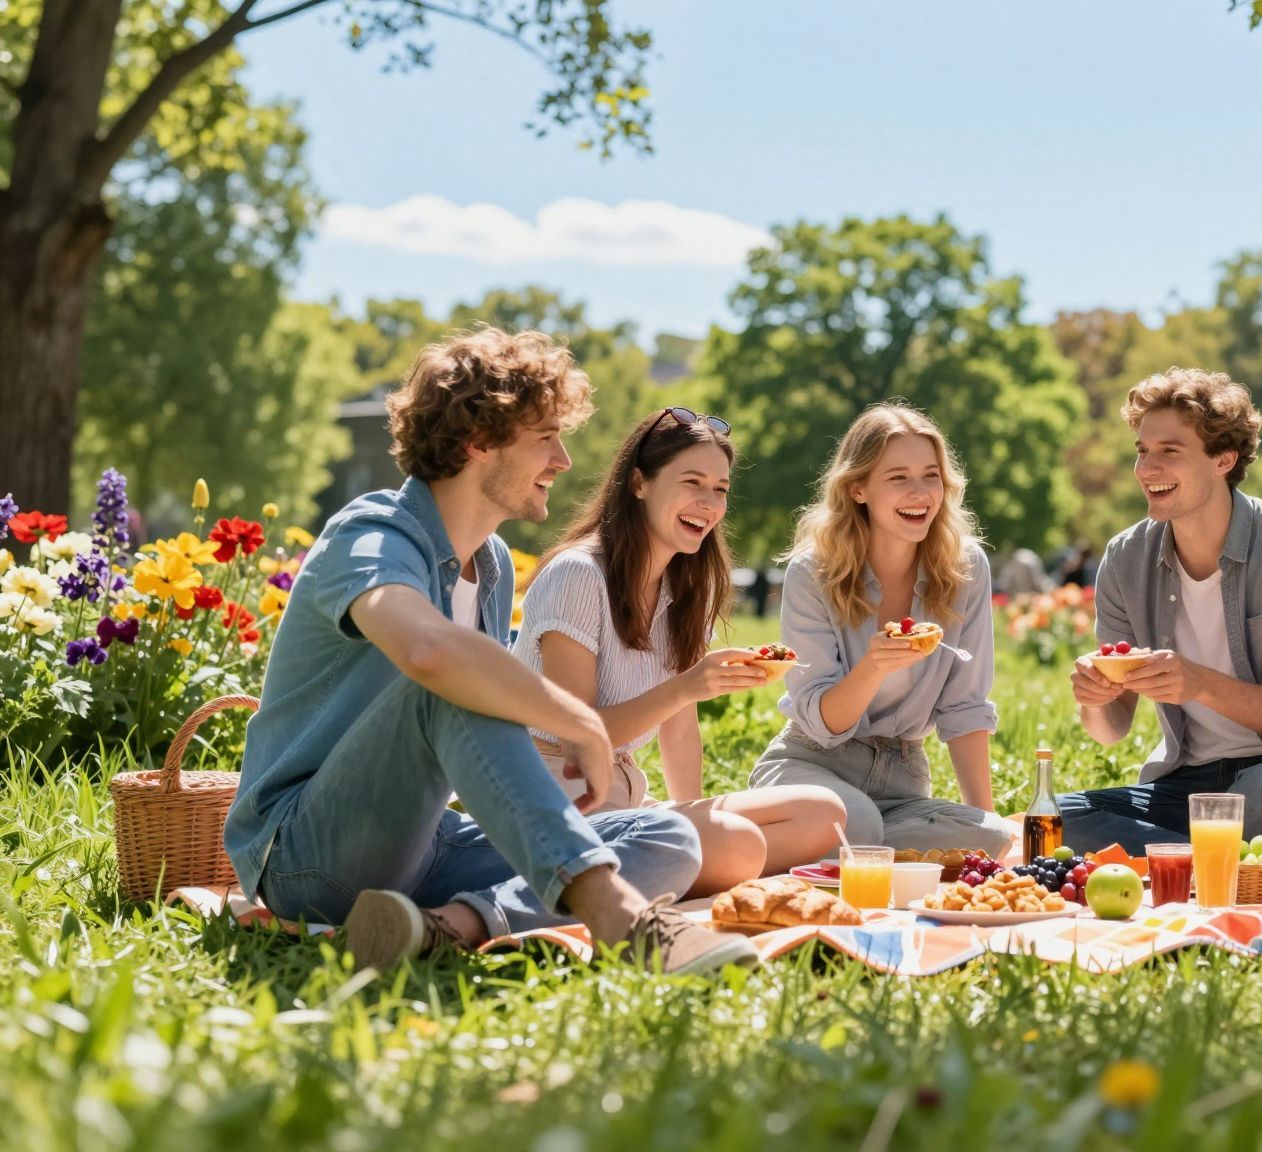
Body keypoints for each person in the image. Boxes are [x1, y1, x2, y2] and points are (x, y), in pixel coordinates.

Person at [224, 328, 755, 976]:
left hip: (422, 844)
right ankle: (619, 918)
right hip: (306, 854)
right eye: (545, 438)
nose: (563, 460)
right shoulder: (371, 533)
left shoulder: (494, 567)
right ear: (480, 441)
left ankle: (447, 928)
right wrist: (580, 722)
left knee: (665, 836)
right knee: (449, 680)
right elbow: (427, 653)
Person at [512, 406, 847, 895]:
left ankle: (679, 868)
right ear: (639, 483)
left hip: (626, 800)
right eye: (692, 482)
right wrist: (686, 687)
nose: (708, 503)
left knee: (823, 812)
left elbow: (679, 728)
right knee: (738, 845)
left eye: (720, 489)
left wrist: (693, 816)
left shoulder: (687, 588)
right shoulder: (578, 574)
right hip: (557, 799)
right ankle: (665, 872)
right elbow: (577, 740)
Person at [1059, 367, 1262, 852]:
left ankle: (1172, 858)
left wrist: (1198, 683)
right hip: (1186, 781)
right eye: (1142, 451)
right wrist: (1093, 700)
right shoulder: (1125, 559)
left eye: (1169, 452)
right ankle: (1210, 860)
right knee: (1058, 820)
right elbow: (1112, 728)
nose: (1146, 469)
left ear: (1223, 458)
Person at [748, 404, 1015, 854]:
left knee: (991, 837)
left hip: (902, 778)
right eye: (898, 478)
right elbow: (822, 720)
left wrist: (984, 841)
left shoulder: (965, 567)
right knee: (857, 823)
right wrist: (872, 666)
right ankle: (784, 831)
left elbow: (965, 708)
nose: (920, 493)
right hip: (812, 764)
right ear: (857, 488)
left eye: (931, 476)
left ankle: (794, 845)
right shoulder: (813, 572)